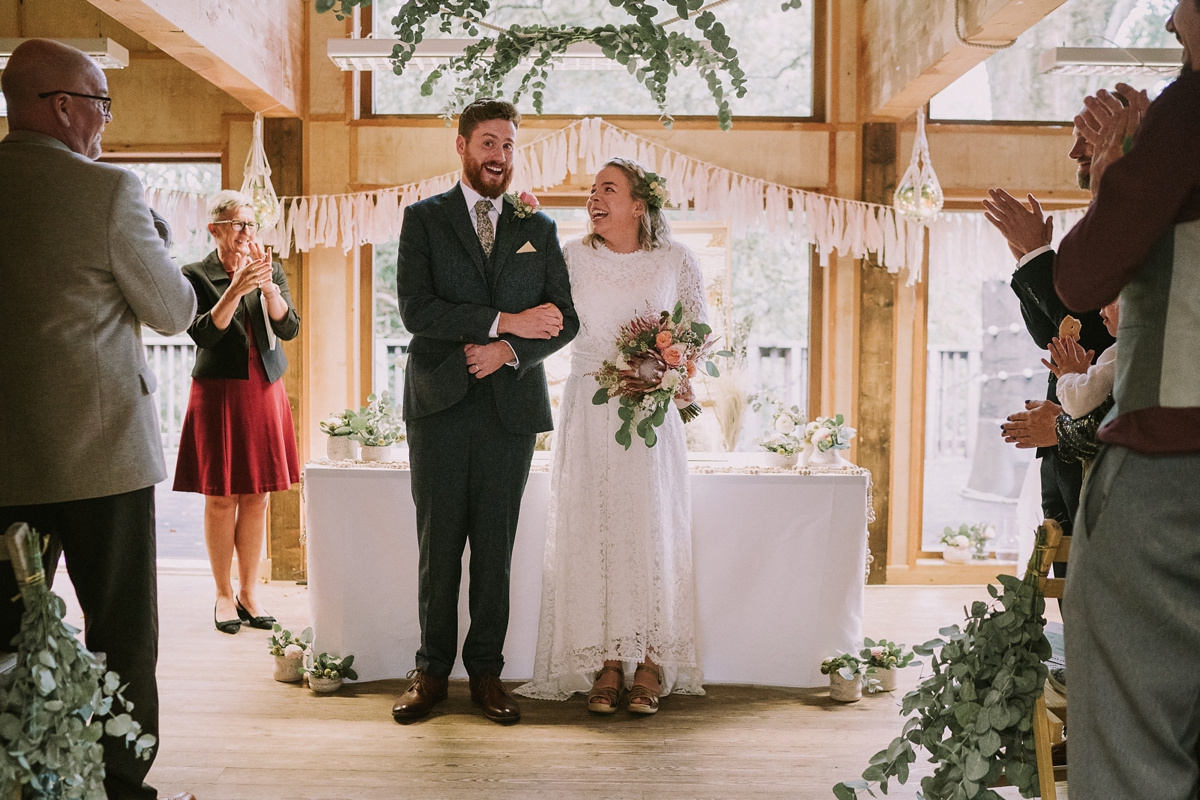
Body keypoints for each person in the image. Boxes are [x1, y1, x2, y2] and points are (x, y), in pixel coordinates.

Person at [0, 39, 197, 800]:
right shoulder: (111, 193)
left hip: (5, 462)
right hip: (100, 459)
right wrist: (159, 235)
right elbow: (174, 308)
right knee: (120, 634)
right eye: (102, 104)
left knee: (8, 634)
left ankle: (20, 776)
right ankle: (118, 785)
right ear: (63, 107)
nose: (106, 125)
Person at [391, 98, 578, 725]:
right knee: (437, 543)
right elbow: (417, 311)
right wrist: (504, 319)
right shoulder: (423, 219)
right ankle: (431, 671)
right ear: (463, 146)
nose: (499, 156)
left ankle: (488, 676)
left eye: (508, 145)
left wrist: (509, 350)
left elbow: (564, 320)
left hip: (510, 408)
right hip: (438, 405)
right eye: (489, 143)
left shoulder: (539, 229)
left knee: (495, 547)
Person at [1054, 0, 1200, 793]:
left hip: (1173, 454)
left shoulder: (1188, 113)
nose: (1174, 22)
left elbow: (1081, 278)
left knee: (1130, 726)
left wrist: (1116, 176)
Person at [515, 158, 707, 715]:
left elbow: (695, 333)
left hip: (649, 413)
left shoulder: (676, 260)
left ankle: (648, 660)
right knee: (592, 527)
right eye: (591, 190)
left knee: (648, 527)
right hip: (589, 408)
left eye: (608, 189)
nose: (593, 198)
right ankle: (605, 662)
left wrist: (666, 367)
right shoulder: (571, 258)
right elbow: (545, 317)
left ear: (639, 204)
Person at [984, 108, 1115, 555]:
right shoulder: (1099, 226)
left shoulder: (1135, 230)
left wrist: (1039, 255)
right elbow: (1055, 337)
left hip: (1098, 457)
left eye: (1088, 137)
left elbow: (1094, 330)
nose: (1073, 151)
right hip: (1066, 447)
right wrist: (1026, 255)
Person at [173, 190, 301, 634]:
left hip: (264, 389)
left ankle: (249, 592)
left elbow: (289, 325)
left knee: (258, 494)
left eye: (251, 224)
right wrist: (234, 288)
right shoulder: (194, 273)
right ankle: (223, 595)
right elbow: (204, 334)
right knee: (221, 496)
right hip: (217, 392)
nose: (247, 233)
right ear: (215, 229)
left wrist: (266, 287)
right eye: (237, 224)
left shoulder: (270, 268)